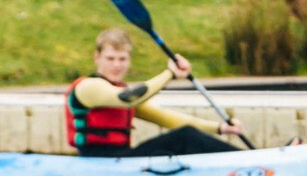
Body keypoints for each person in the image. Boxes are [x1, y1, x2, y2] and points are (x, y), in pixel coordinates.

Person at [64, 28, 245, 157]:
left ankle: (246, 162)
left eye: (122, 59)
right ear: (97, 58)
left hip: (121, 159)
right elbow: (126, 99)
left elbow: (167, 119)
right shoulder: (88, 87)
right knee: (186, 136)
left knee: (185, 134)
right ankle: (246, 162)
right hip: (99, 161)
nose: (117, 65)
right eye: (110, 58)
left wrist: (220, 128)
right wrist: (170, 74)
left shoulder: (122, 92)